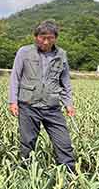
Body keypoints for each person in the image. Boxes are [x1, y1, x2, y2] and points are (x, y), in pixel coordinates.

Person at [8, 20, 76, 171]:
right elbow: (15, 77)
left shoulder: (61, 55)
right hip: (28, 105)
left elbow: (65, 82)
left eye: (50, 38)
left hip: (52, 107)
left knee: (64, 142)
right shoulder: (24, 52)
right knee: (27, 143)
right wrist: (12, 101)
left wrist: (68, 103)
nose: (46, 41)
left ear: (55, 38)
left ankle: (70, 176)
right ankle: (24, 174)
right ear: (35, 37)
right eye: (42, 37)